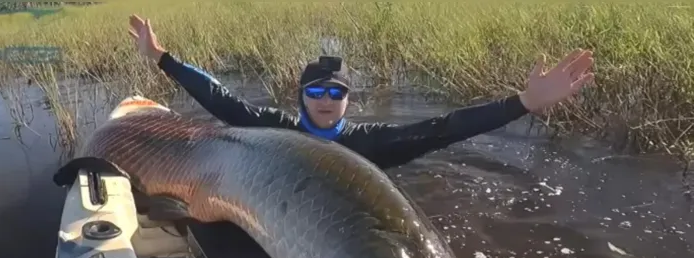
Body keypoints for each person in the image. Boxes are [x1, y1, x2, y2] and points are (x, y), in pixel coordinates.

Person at [128, 15, 594, 170]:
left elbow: (443, 130)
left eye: (336, 91)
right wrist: (162, 57)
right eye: (316, 91)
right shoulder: (275, 130)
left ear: (348, 100)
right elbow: (220, 99)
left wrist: (525, 103)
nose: (326, 99)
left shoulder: (369, 144)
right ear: (301, 97)